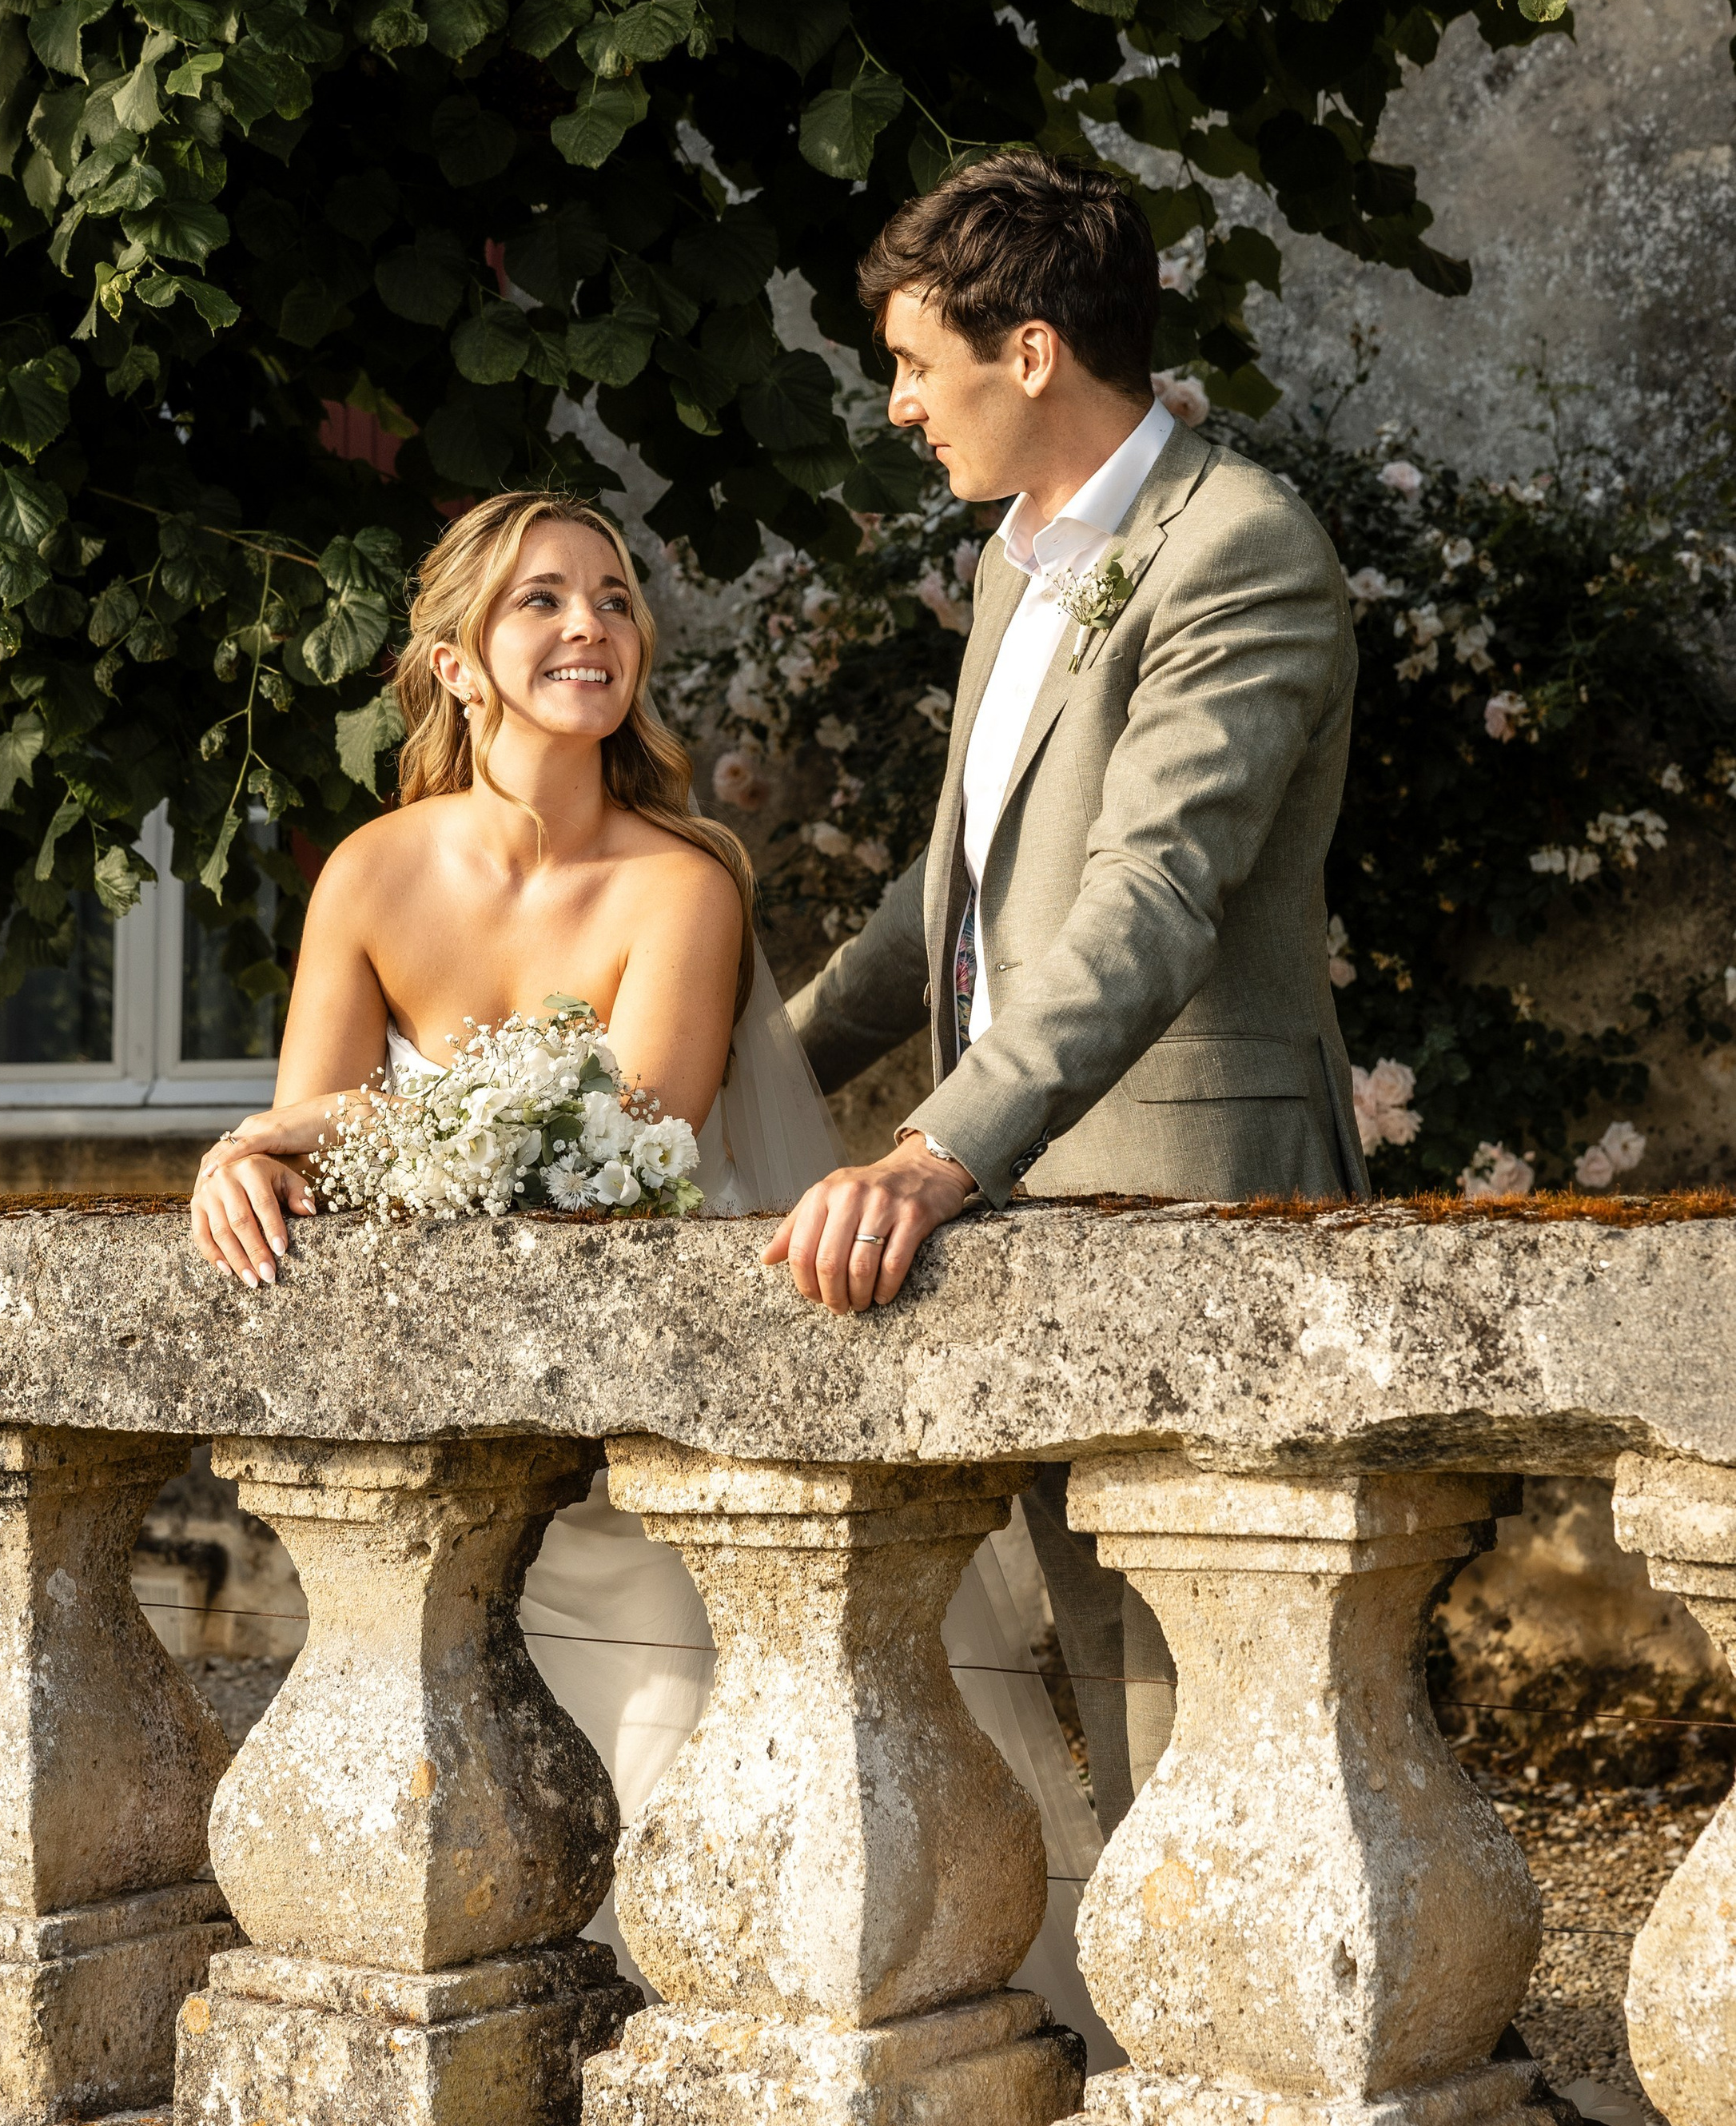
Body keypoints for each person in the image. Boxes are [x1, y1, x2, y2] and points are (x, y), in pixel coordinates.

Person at [186, 489, 1109, 2048]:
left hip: (670, 1423)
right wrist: (250, 1161)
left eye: (614, 600)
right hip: (472, 1422)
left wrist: (312, 1121)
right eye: (543, 600)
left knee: (705, 1795)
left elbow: (629, 1137)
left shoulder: (685, 878)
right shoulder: (367, 873)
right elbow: (316, 1160)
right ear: (456, 659)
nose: (590, 629)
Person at [770, 149, 1367, 1837]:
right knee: (1111, 1699)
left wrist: (930, 1149)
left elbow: (1150, 895)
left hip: (1191, 1188)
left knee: (1228, 1714)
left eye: (909, 360)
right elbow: (945, 894)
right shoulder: (1010, 564)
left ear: (1026, 350)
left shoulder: (1232, 545)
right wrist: (757, 1067)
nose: (895, 405)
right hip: (1032, 1197)